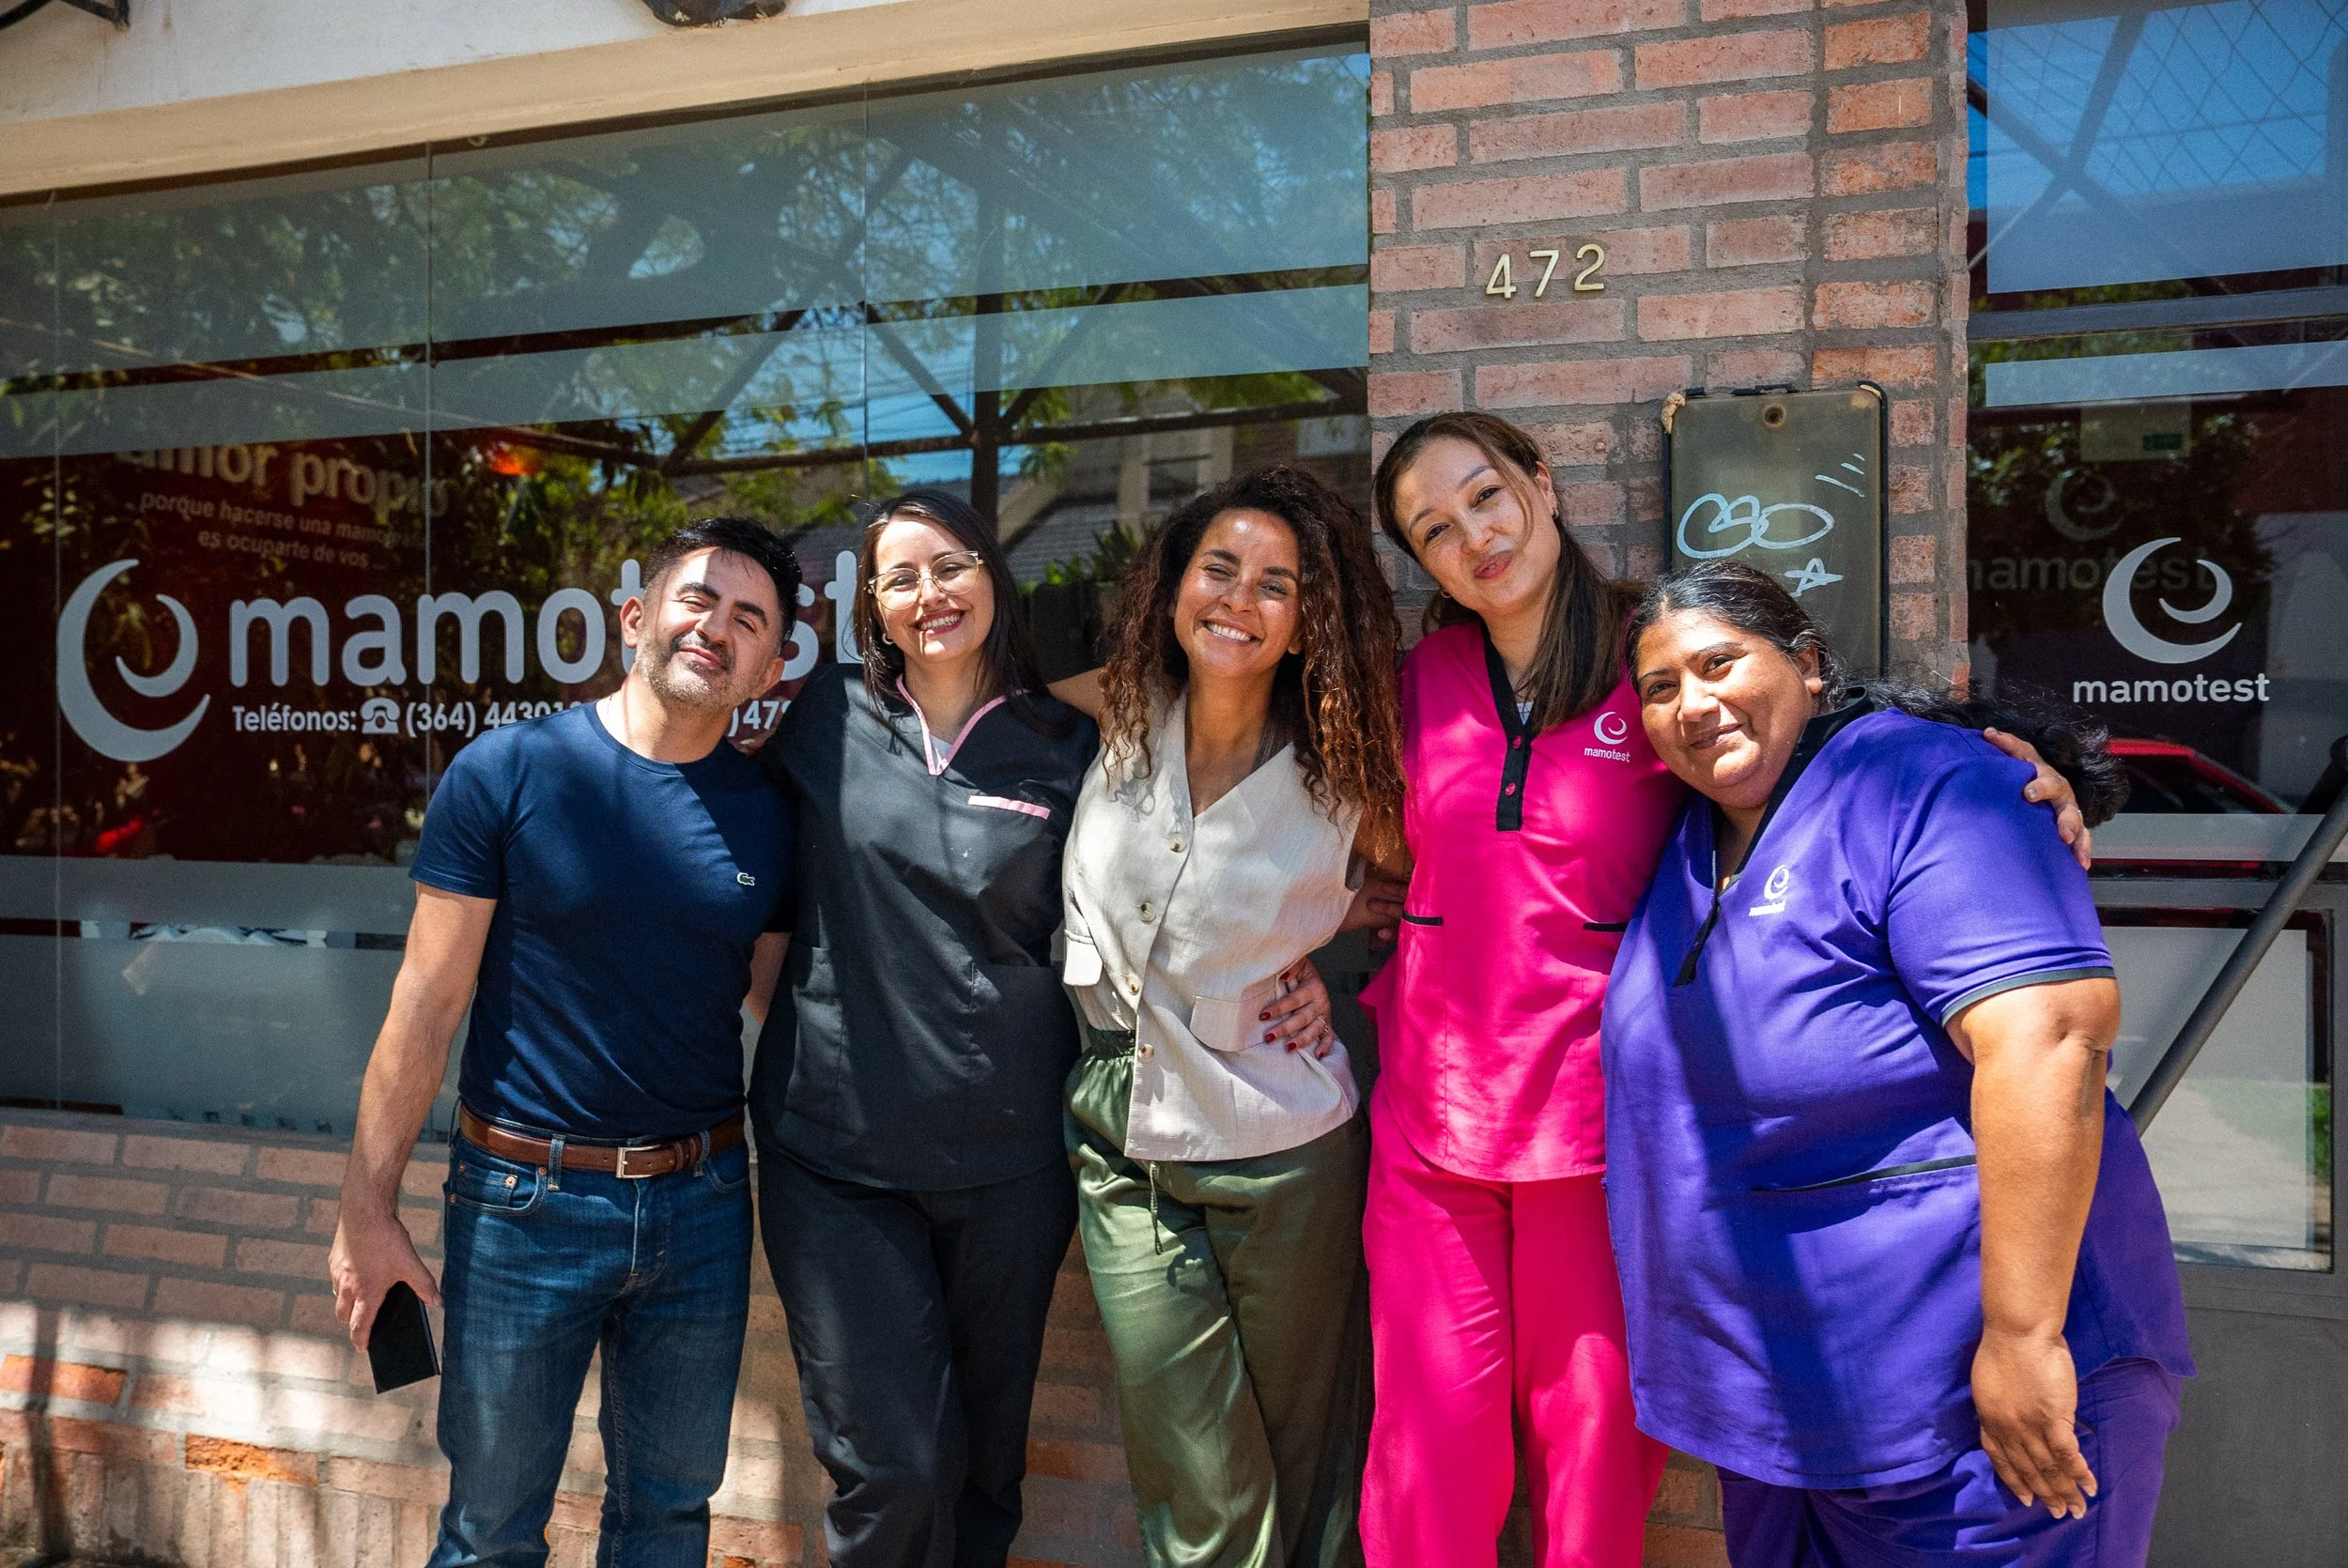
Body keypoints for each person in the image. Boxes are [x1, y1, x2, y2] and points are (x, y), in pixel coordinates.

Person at [1358, 411, 2097, 1568]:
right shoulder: (1418, 684)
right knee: (1425, 1456)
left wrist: (2006, 760)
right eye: (1434, 529)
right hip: (1429, 1119)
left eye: (1485, 494)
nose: (1474, 536)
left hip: (1602, 1130)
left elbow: (1808, 742)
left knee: (1592, 1459)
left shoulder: (1657, 657)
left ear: (1540, 482)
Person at [1602, 561, 2192, 1568]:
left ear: (1808, 664)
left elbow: (2049, 1038)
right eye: (1660, 687)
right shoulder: (1692, 837)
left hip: (1963, 1400)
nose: (1692, 703)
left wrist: (2022, 1339)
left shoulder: (1927, 784)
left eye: (1718, 663)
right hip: (1792, 1410)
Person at [327, 516, 802, 1568]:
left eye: (748, 620)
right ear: (635, 617)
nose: (715, 628)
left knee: (668, 1520)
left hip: (703, 1204)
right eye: (696, 599)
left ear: (770, 667)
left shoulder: (772, 814)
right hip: (522, 1202)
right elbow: (424, 1007)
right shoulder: (508, 771)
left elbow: (781, 1007)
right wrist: (367, 1209)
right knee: (491, 1528)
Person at [1050, 464, 1400, 1568]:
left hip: (1286, 1145)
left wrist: (1328, 953)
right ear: (1171, 588)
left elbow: (1421, 889)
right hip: (1119, 1141)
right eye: (1218, 568)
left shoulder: (1344, 767)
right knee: (1191, 1460)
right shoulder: (1114, 709)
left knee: (1305, 1450)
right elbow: (985, 701)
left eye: (1274, 584)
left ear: (1304, 623)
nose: (1239, 598)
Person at [747, 488, 1103, 1568]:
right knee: (892, 1465)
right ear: (873, 607)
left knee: (986, 1462)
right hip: (836, 1158)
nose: (928, 593)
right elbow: (759, 896)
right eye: (898, 578)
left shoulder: (1065, 742)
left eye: (949, 565)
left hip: (1012, 1162)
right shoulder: (824, 715)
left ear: (992, 573)